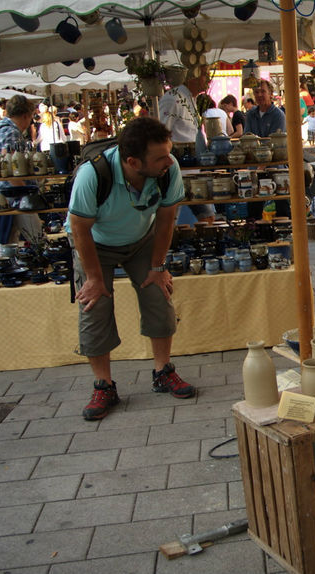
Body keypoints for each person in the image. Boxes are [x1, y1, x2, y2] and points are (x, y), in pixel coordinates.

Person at [67, 117, 195, 421]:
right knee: (95, 305)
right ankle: (104, 385)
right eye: (160, 157)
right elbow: (79, 228)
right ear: (133, 162)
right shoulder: (93, 175)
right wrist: (96, 279)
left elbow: (166, 219)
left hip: (141, 239)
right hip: (96, 243)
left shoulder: (168, 169)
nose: (169, 161)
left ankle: (163, 372)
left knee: (158, 293)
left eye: (168, 152)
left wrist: (158, 266)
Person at [0, 94, 43, 244]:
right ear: (26, 115)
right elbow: (11, 169)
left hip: (6, 195)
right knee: (37, 238)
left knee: (11, 242)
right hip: (15, 197)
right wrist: (27, 194)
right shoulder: (11, 133)